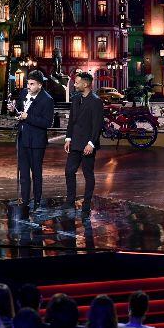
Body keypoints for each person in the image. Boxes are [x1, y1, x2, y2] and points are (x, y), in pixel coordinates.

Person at [12, 70, 54, 210]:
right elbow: (19, 110)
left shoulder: (47, 100)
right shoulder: (24, 93)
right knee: (24, 173)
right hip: (22, 139)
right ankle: (24, 200)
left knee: (36, 173)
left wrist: (27, 117)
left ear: (40, 85)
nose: (28, 87)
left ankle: (37, 201)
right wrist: (13, 109)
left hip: (37, 142)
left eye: (32, 84)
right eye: (28, 83)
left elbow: (47, 123)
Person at [64, 71, 104, 218]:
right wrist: (68, 138)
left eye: (77, 82)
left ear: (85, 84)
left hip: (88, 145)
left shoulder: (96, 101)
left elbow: (97, 125)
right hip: (75, 143)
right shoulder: (75, 99)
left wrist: (91, 143)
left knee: (88, 174)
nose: (74, 84)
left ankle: (86, 204)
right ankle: (70, 200)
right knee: (69, 171)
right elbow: (71, 121)